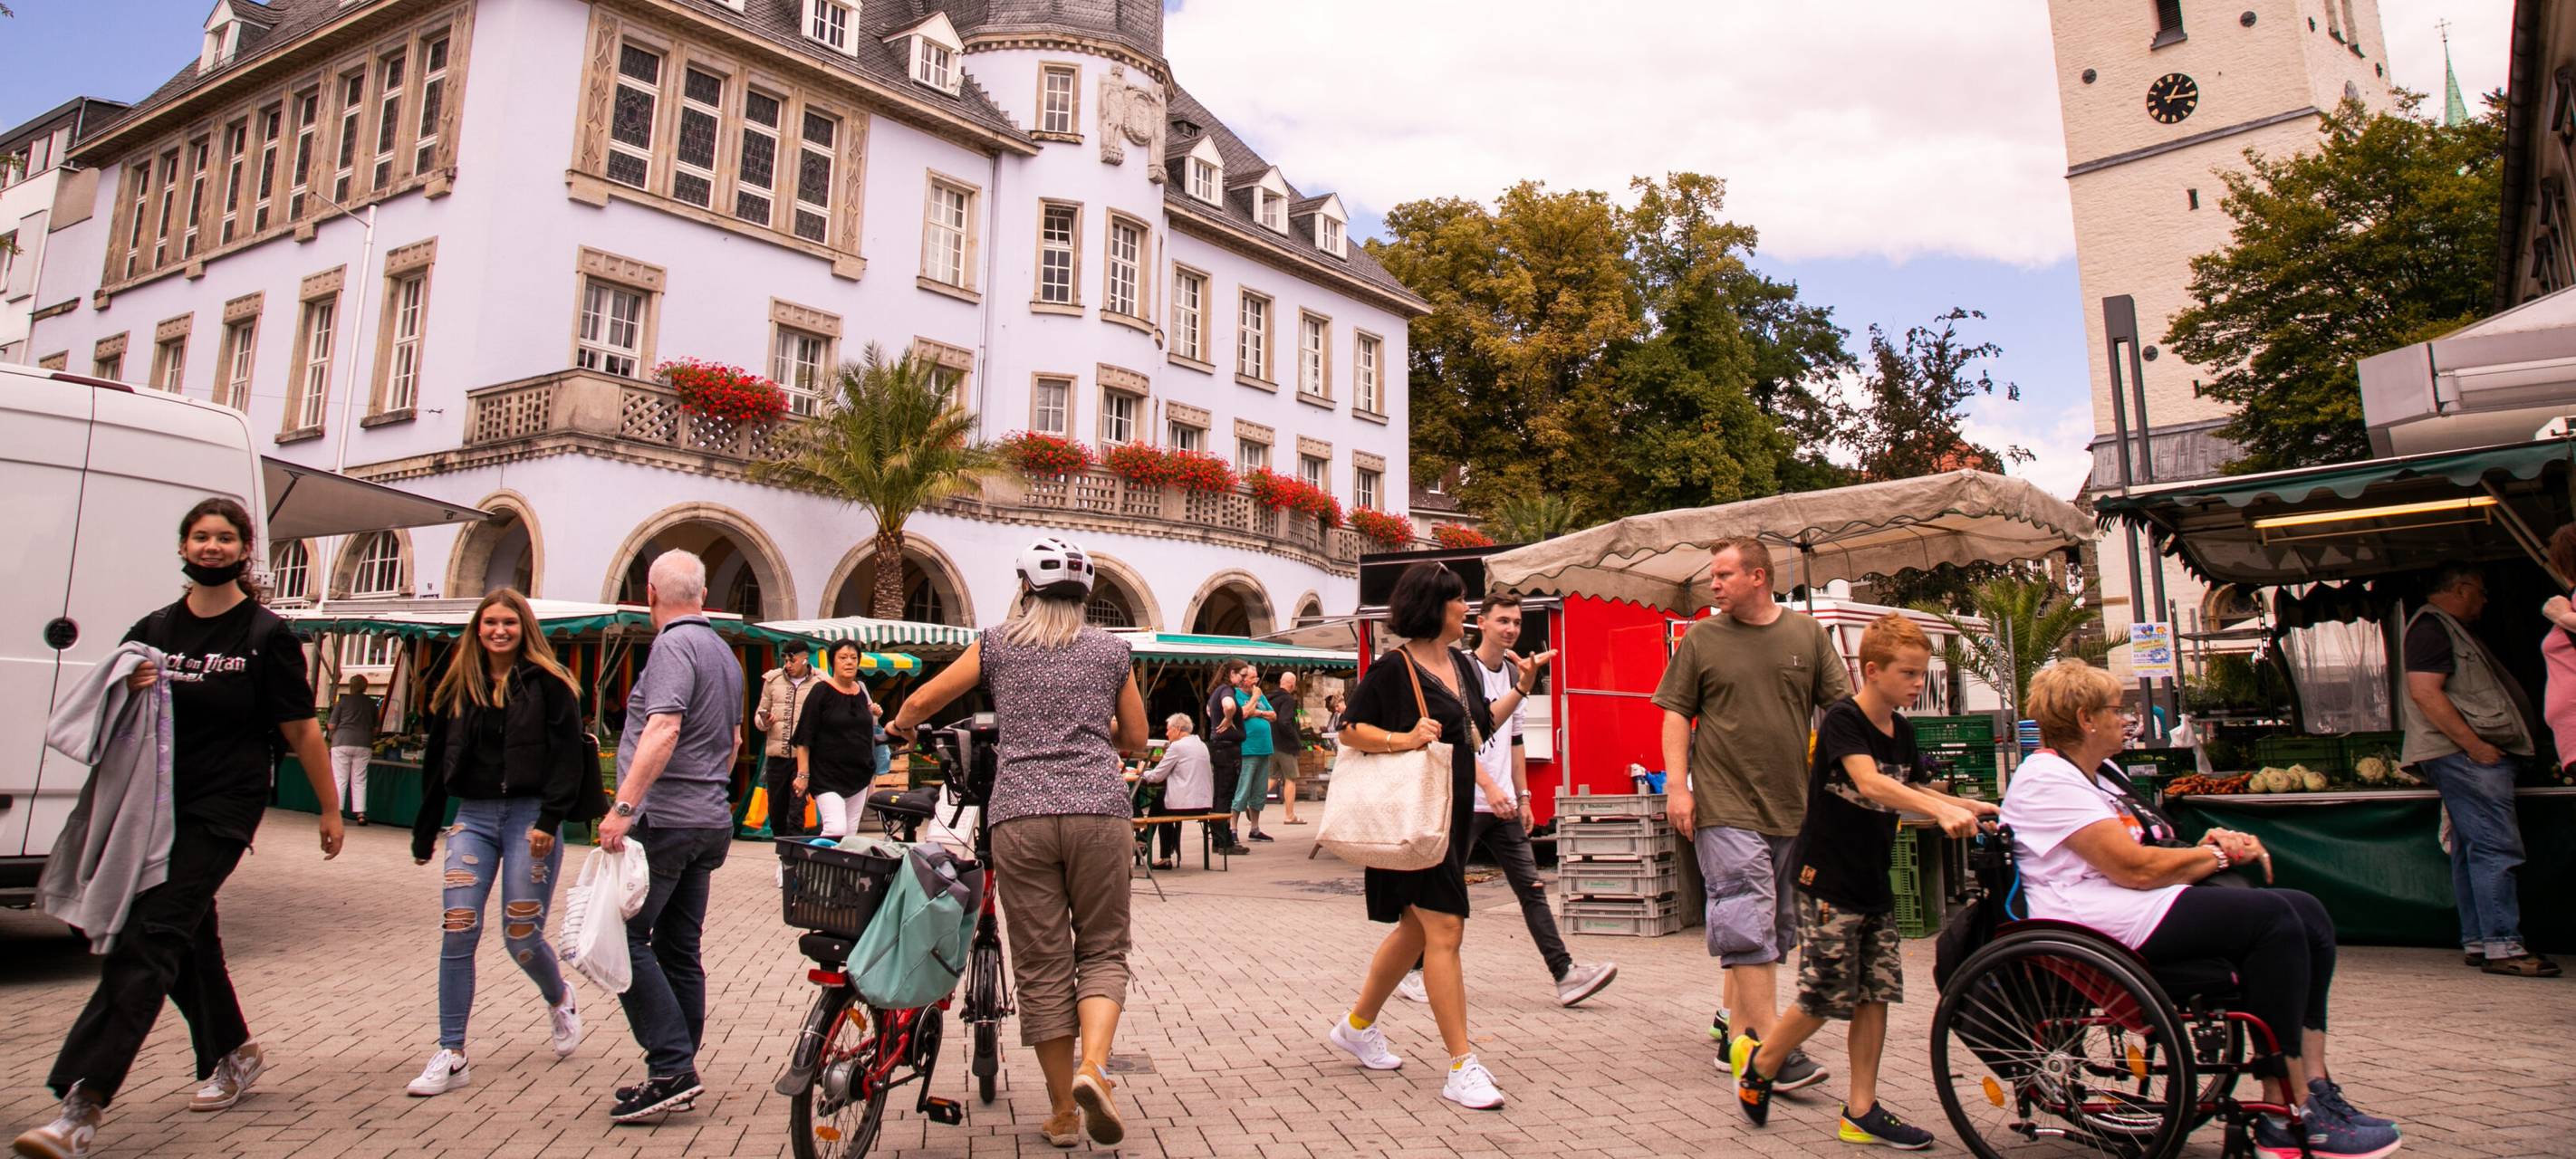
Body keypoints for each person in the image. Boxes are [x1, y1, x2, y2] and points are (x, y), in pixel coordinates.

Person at [14, 498, 345, 1159]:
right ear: (184, 547)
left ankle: (83, 1103)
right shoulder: (154, 628)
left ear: (245, 550)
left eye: (226, 537)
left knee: (150, 938)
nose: (213, 546)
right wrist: (129, 683)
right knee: (188, 938)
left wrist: (331, 809)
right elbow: (108, 709)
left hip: (224, 808)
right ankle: (233, 1050)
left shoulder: (266, 635)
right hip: (153, 807)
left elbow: (302, 729)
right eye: (202, 536)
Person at [2002, 659, 2401, 1158]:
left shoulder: (2096, 773)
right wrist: (2215, 856)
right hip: (2093, 915)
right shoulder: (2048, 779)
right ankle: (2286, 1106)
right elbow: (2134, 868)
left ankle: (2315, 1084)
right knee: (2273, 921)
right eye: (2115, 709)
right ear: (2086, 719)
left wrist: (2204, 846)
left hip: (2126, 901)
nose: (2123, 718)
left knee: (2307, 912)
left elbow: (2151, 844)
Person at [889, 535, 1149, 1149]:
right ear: (1086, 595)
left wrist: (900, 727)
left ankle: (1063, 1113)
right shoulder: (1112, 651)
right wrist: (1089, 724)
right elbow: (1135, 739)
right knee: (1105, 949)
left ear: (1027, 589)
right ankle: (1095, 1069)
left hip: (1020, 815)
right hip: (1097, 811)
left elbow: (926, 699)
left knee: (1042, 964)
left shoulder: (999, 643)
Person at [1731, 614, 1995, 1146]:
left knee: (1875, 993)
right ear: (1872, 671)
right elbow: (1870, 781)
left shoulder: (1904, 730)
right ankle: (1762, 1066)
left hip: (1874, 883)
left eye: (1923, 674)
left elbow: (1916, 788)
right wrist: (1938, 810)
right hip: (1827, 880)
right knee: (1826, 993)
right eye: (1909, 674)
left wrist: (1970, 806)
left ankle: (1861, 1110)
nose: (1918, 685)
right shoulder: (1844, 721)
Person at [1322, 562, 1554, 1111]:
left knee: (1414, 932)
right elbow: (1349, 729)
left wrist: (1520, 689)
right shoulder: (1392, 668)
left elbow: (1477, 730)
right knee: (1444, 928)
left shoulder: (1461, 666)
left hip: (1446, 817)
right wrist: (1401, 739)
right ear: (1434, 607)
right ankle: (1460, 1064)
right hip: (1411, 816)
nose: (1466, 610)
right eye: (1458, 602)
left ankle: (1357, 1026)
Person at [1652, 537, 1849, 1092]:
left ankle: (1732, 1041)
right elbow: (1674, 715)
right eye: (1712, 577)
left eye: (1723, 576)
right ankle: (1768, 1053)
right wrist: (1678, 787)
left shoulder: (1807, 635)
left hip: (1791, 807)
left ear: (1759, 577)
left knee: (1774, 928)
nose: (1712, 586)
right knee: (1746, 918)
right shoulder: (1702, 638)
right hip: (1723, 803)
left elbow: (1840, 710)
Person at [404, 588, 602, 1097]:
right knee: (458, 927)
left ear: (524, 628)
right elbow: (435, 759)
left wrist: (551, 818)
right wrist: (426, 828)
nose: (498, 630)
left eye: (508, 622)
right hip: (473, 817)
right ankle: (452, 1052)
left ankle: (560, 997)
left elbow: (567, 758)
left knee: (520, 935)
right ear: (477, 628)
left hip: (530, 819)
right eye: (489, 622)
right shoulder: (457, 686)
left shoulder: (551, 684)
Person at [1393, 591, 1615, 1009]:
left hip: (1503, 806)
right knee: (1444, 891)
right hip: (1465, 800)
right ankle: (1416, 971)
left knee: (1531, 887)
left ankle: (1565, 974)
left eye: (1516, 622)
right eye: (1503, 622)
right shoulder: (1463, 671)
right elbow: (1462, 740)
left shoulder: (1518, 675)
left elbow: (1514, 741)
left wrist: (1523, 796)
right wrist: (1489, 789)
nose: (1511, 629)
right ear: (1482, 622)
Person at [594, 550, 745, 1124]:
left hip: (668, 823)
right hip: (708, 820)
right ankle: (678, 1065)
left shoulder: (672, 646)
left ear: (650, 592)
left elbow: (662, 727)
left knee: (625, 936)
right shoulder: (724, 654)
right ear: (702, 594)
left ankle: (671, 1063)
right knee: (680, 946)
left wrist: (624, 808)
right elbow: (732, 743)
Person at [2400, 563, 2557, 978]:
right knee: (2494, 848)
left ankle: (2481, 940)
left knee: (2474, 850)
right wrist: (2476, 747)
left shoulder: (2441, 627)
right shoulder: (2432, 628)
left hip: (2462, 755)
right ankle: (2503, 946)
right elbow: (2424, 693)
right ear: (2461, 589)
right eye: (2481, 592)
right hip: (2464, 755)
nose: (2485, 601)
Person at [790, 642, 878, 841]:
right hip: (827, 776)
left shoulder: (861, 691)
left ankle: (840, 873)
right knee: (835, 829)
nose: (849, 662)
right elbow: (804, 737)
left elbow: (865, 730)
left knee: (850, 837)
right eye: (843, 657)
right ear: (833, 662)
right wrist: (803, 775)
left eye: (853, 658)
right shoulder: (821, 691)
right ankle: (803, 865)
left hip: (859, 776)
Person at [754, 647, 817, 838]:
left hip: (802, 759)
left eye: (793, 661)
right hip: (777, 756)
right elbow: (759, 715)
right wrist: (764, 721)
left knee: (796, 811)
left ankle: (792, 858)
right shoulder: (772, 681)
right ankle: (784, 851)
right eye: (786, 661)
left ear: (805, 659)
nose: (788, 665)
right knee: (776, 811)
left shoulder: (818, 683)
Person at [1139, 714, 1215, 869]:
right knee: (1161, 802)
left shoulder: (1178, 746)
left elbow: (1157, 776)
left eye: (1168, 730)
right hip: (1204, 804)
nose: (1166, 734)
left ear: (1178, 729)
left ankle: (1143, 841)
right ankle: (1157, 851)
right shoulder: (1201, 744)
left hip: (1186, 804)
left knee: (1161, 804)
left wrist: (1141, 772)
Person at [1202, 660, 1251, 856]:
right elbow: (1228, 705)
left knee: (1220, 794)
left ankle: (1220, 839)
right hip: (1228, 749)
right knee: (1225, 795)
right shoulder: (1226, 691)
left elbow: (1208, 709)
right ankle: (1223, 842)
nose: (1244, 679)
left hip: (1220, 748)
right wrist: (1229, 717)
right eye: (1242, 675)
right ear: (1232, 673)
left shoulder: (1216, 691)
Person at [1231, 664, 1278, 840]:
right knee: (1242, 789)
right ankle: (1233, 828)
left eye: (1256, 677)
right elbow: (1242, 714)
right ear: (1243, 679)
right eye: (1252, 677)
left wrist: (1257, 712)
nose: (1255, 681)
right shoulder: (1236, 695)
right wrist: (1255, 703)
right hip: (1247, 749)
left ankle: (1255, 828)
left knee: (1259, 791)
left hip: (1264, 748)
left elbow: (1273, 715)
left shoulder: (1260, 695)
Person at [326, 675, 378, 827]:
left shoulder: (343, 701)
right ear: (365, 687)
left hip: (342, 742)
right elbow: (376, 729)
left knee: (340, 778)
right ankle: (360, 814)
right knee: (359, 779)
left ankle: (337, 813)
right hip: (364, 743)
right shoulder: (372, 704)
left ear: (351, 686)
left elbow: (331, 726)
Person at [1269, 671, 1308, 826]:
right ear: (1292, 684)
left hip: (1271, 743)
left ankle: (1251, 802)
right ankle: (1289, 815)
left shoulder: (1269, 698)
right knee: (1290, 778)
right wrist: (1296, 740)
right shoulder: (1288, 700)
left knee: (1272, 777)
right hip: (1285, 745)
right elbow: (1284, 722)